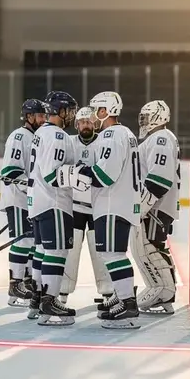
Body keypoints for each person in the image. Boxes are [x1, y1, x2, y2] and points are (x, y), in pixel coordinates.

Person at [57, 91, 142, 329]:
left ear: (105, 111)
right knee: (111, 254)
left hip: (113, 204)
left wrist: (76, 173)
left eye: (95, 110)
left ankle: (128, 305)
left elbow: (104, 175)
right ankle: (123, 300)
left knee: (113, 255)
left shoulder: (111, 135)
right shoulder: (125, 133)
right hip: (118, 203)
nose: (92, 115)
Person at [26, 90, 81, 325]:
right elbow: (52, 175)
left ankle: (37, 300)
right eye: (69, 110)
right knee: (56, 252)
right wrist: (79, 175)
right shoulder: (58, 136)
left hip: (38, 202)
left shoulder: (40, 133)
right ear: (59, 111)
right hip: (55, 202)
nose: (71, 115)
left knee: (42, 251)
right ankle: (50, 302)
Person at [59, 107, 113, 305]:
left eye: (89, 121)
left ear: (95, 123)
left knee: (100, 250)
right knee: (70, 249)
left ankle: (107, 291)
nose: (86, 125)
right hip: (75, 206)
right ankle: (63, 291)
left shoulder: (104, 142)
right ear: (77, 124)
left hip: (98, 205)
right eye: (82, 122)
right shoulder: (69, 143)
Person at [132, 100, 181, 315]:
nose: (143, 122)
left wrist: (144, 205)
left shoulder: (160, 138)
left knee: (151, 246)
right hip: (158, 205)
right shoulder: (160, 138)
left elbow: (159, 179)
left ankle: (163, 291)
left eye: (146, 117)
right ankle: (163, 290)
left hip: (156, 206)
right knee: (152, 245)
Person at [0, 98, 46, 307]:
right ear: (29, 116)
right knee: (23, 241)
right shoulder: (19, 136)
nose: (43, 119)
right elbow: (11, 171)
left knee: (33, 242)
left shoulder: (37, 137)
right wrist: (30, 187)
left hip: (31, 199)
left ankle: (26, 282)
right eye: (40, 115)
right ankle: (15, 283)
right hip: (17, 198)